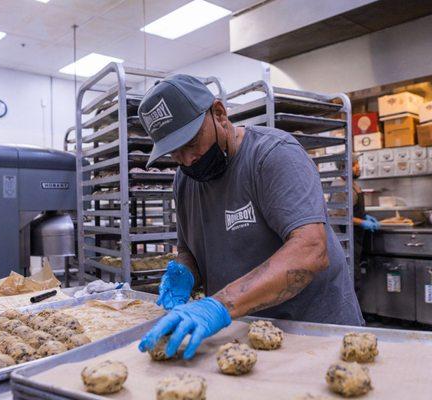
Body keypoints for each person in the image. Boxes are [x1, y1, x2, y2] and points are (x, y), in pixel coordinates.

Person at [137, 75, 363, 361]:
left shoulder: (273, 156)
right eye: (174, 152)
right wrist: (184, 272)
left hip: (314, 335)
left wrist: (218, 305)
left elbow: (311, 251)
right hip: (242, 336)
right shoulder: (183, 181)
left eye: (191, 141)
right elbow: (189, 250)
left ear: (219, 113)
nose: (187, 159)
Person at [329, 154, 380, 291]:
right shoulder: (340, 187)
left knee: (354, 275)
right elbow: (339, 215)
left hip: (355, 238)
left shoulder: (351, 184)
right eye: (354, 164)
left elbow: (351, 210)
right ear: (343, 168)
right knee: (350, 279)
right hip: (345, 241)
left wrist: (365, 217)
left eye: (357, 163)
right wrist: (363, 222)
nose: (358, 167)